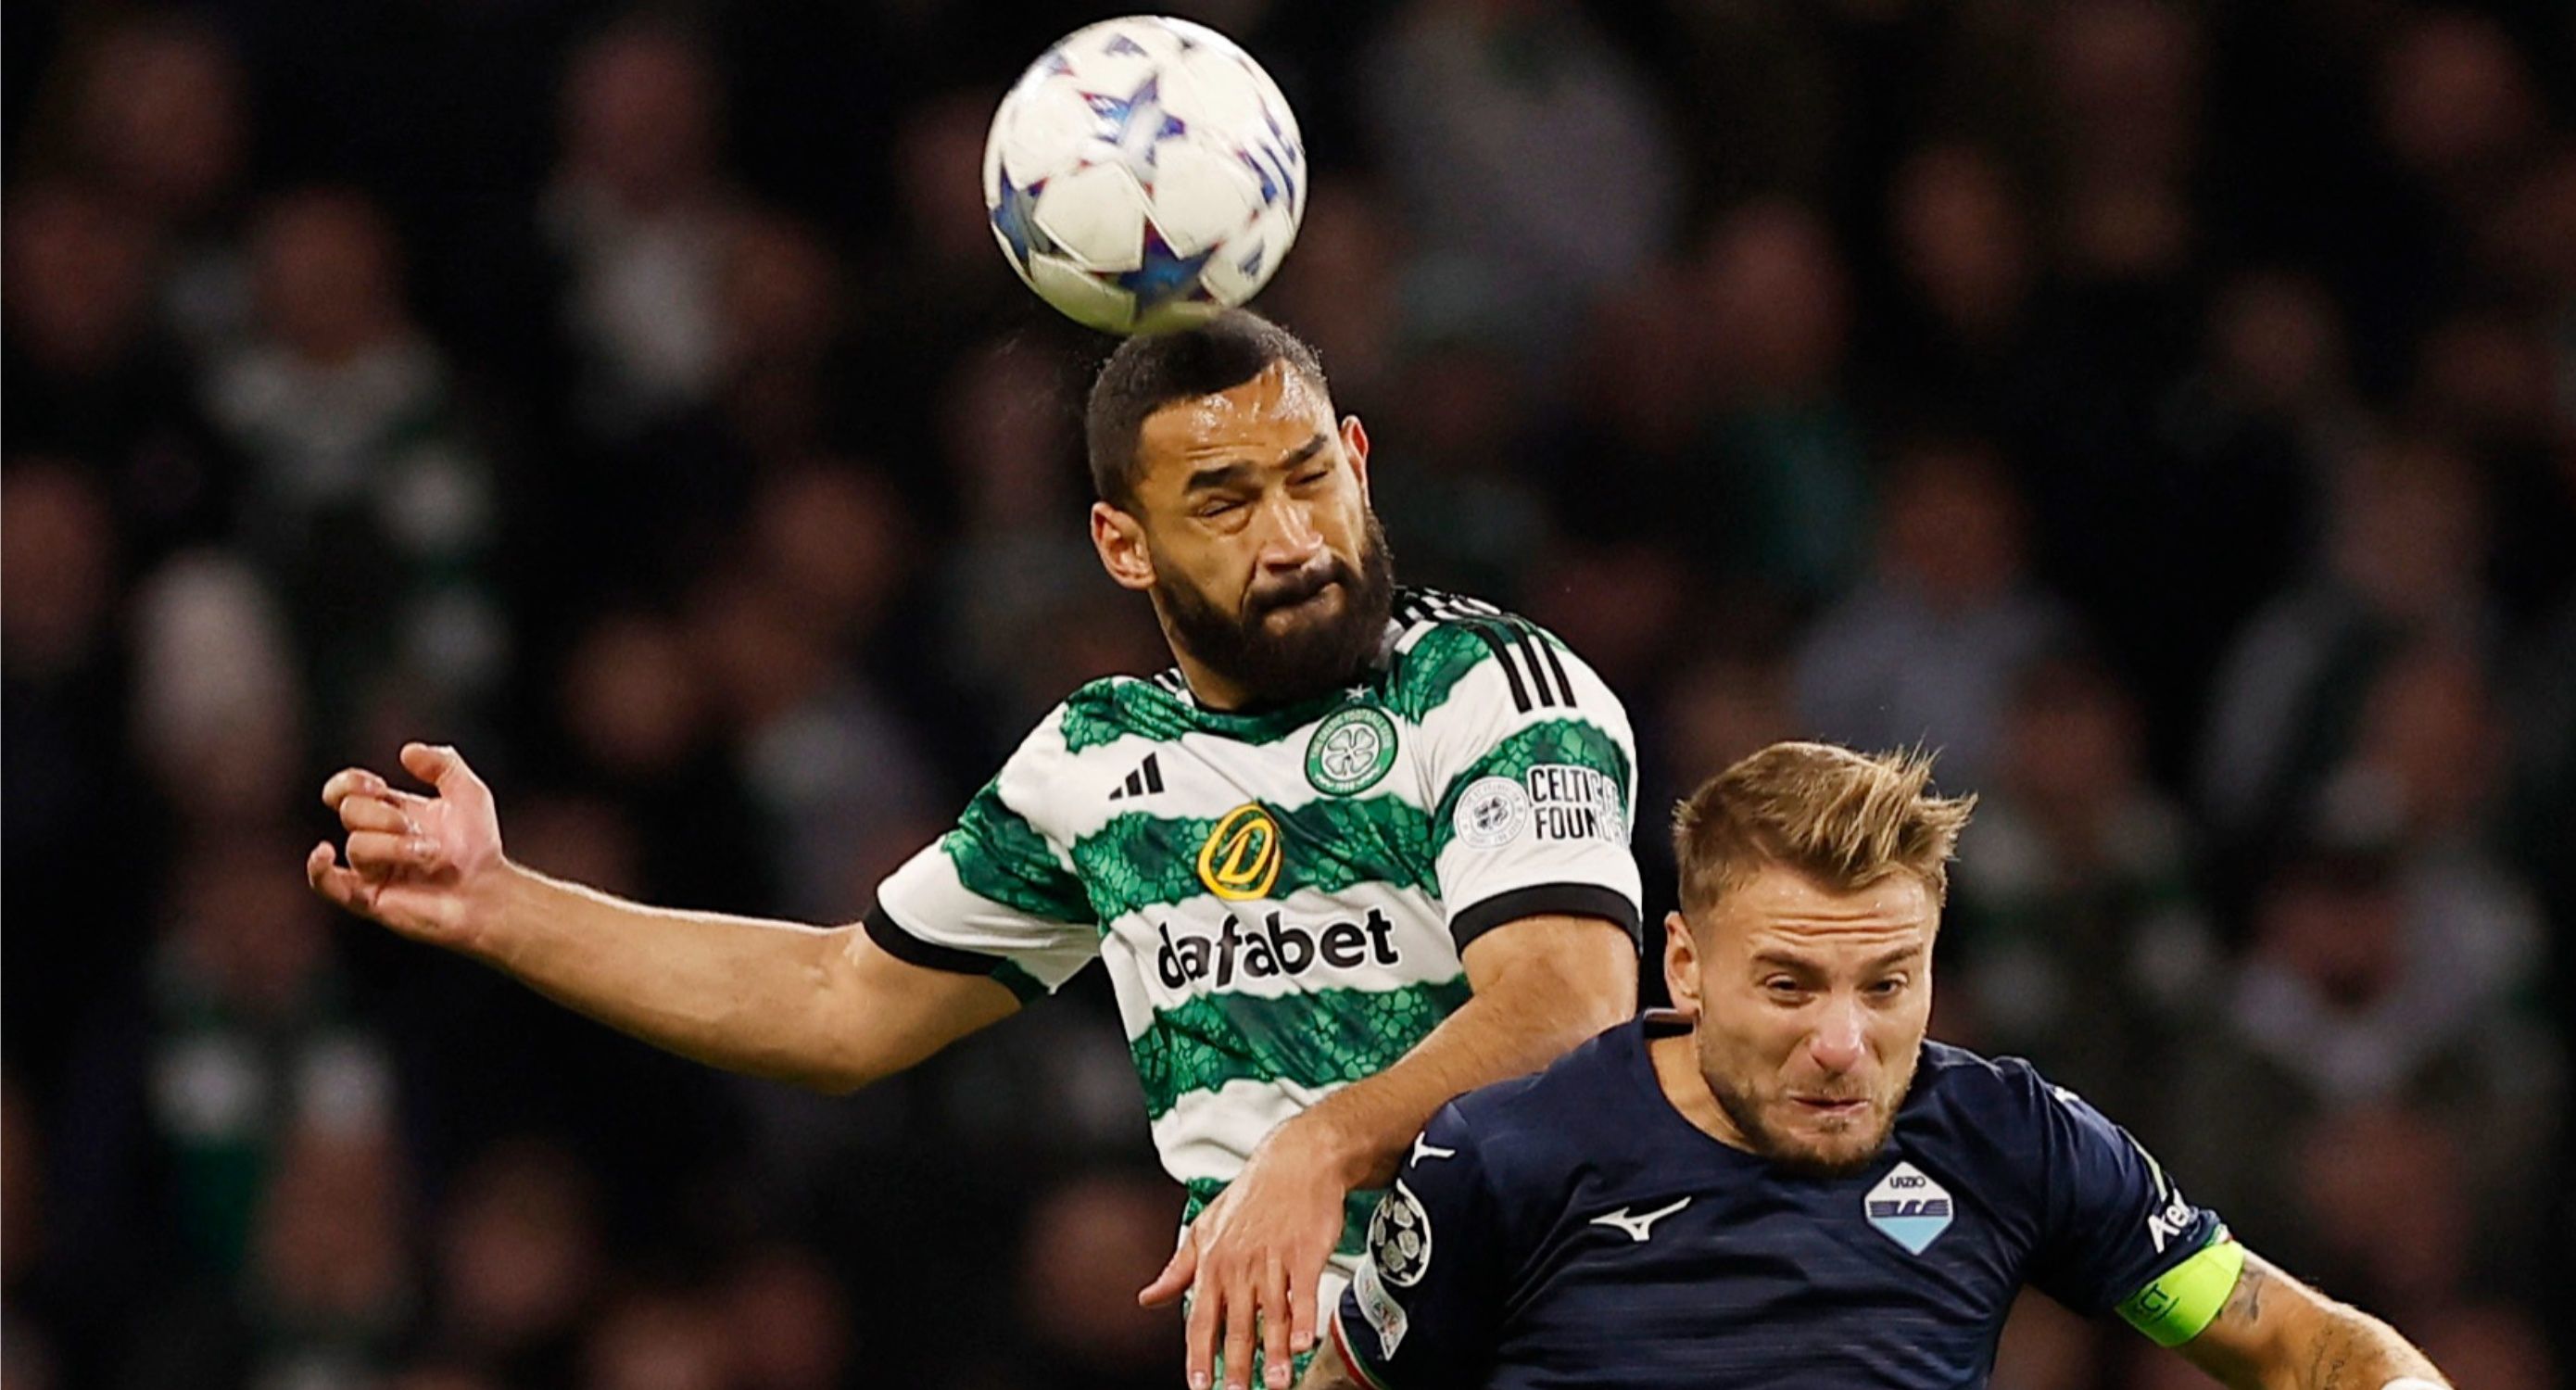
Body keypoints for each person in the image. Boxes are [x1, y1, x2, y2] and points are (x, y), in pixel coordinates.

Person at [305, 310, 1644, 1390]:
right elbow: (839, 1003)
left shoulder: (1486, 687)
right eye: (1225, 504)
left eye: (1310, 479)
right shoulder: (1093, 764)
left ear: (1357, 458)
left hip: (1540, 1336)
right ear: (1124, 544)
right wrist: (501, 905)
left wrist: (1319, 1147)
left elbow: (1569, 1002)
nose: (1291, 539)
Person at [1308, 742, 2452, 1390]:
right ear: (1687, 966)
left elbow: (2296, 1345)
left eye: (1888, 986)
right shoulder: (1504, 1159)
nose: (1844, 1045)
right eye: (1790, 987)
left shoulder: (2012, 1140)